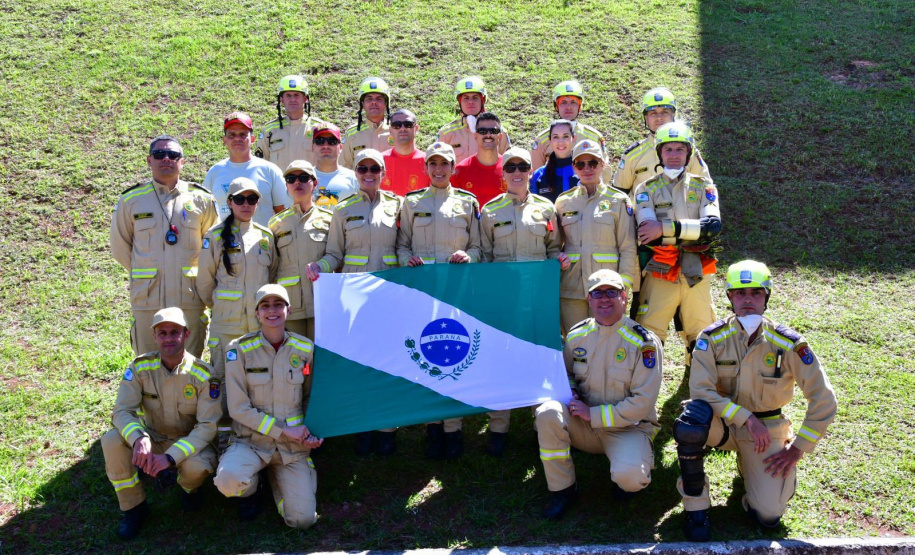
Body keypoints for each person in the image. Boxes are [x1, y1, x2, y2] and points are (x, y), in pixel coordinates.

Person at [674, 261, 837, 541]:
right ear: (729, 298)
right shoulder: (711, 338)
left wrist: (797, 449)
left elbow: (824, 399)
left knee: (769, 515)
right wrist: (745, 418)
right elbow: (701, 390)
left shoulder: (788, 343)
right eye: (739, 293)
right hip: (722, 422)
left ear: (766, 298)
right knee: (690, 420)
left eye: (755, 293)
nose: (747, 299)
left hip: (767, 429)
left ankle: (752, 475)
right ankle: (696, 506)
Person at [535, 269, 662, 519]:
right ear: (588, 299)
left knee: (631, 479)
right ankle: (563, 489)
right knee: (547, 411)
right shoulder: (577, 334)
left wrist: (592, 414)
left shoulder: (644, 343)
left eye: (611, 292)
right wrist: (570, 389)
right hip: (584, 426)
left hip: (626, 428)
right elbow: (566, 374)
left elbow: (642, 403)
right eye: (597, 293)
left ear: (624, 298)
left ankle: (630, 467)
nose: (604, 299)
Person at [307, 149, 403, 456]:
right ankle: (363, 427)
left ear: (384, 172)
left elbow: (405, 247)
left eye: (375, 168)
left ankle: (387, 428)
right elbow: (335, 253)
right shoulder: (343, 209)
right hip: (355, 300)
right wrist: (319, 266)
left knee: (388, 364)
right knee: (361, 363)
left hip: (389, 299)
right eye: (363, 168)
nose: (369, 173)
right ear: (356, 173)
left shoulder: (399, 206)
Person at [101, 307, 221, 539]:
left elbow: (207, 427)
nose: (168, 338)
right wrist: (139, 437)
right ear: (154, 336)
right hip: (153, 438)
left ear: (186, 335)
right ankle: (134, 507)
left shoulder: (204, 374)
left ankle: (188, 489)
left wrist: (170, 458)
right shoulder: (139, 367)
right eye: (162, 332)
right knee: (111, 440)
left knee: (196, 469)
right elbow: (121, 411)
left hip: (190, 444)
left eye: (174, 332)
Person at [396, 141, 482, 459]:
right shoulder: (412, 202)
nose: (438, 169)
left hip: (457, 293)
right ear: (425, 168)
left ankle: (453, 428)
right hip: (423, 294)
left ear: (453, 167)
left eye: (444, 163)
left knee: (455, 356)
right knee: (426, 352)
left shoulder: (467, 202)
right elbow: (401, 244)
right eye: (432, 163)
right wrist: (408, 259)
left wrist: (468, 255)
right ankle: (433, 426)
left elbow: (480, 247)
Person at [214, 285, 323, 528]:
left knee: (302, 520)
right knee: (229, 481)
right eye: (265, 306)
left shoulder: (305, 348)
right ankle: (253, 488)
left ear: (288, 310)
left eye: (278, 305)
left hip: (292, 449)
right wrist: (283, 430)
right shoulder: (239, 349)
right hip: (251, 443)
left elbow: (311, 398)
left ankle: (280, 481)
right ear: (256, 313)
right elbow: (238, 408)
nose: (272, 311)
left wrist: (313, 432)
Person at [479, 146, 561, 456]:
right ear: (502, 173)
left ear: (530, 171)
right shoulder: (489, 211)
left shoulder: (546, 209)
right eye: (510, 167)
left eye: (522, 166)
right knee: (501, 360)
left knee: (537, 358)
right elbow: (484, 256)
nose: (516, 172)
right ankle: (499, 426)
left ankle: (541, 422)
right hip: (503, 301)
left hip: (537, 300)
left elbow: (554, 250)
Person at [110, 135, 218, 357]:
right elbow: (120, 247)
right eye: (159, 155)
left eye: (173, 155)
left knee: (190, 366)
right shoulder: (132, 200)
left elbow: (214, 247)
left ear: (182, 161)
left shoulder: (201, 199)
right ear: (149, 160)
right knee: (148, 366)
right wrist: (146, 273)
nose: (166, 159)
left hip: (189, 297)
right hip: (148, 299)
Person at [632, 122, 721, 360]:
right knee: (650, 333)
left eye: (679, 149)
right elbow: (647, 231)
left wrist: (665, 228)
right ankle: (647, 383)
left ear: (688, 153)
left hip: (696, 269)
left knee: (702, 332)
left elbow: (712, 227)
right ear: (659, 153)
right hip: (660, 269)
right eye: (668, 150)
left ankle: (700, 384)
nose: (673, 155)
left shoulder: (705, 186)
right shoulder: (645, 188)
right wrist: (690, 231)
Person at [197, 178, 278, 422]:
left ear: (258, 203)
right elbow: (204, 282)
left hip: (257, 326)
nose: (246, 204)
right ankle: (223, 435)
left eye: (251, 199)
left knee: (258, 379)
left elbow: (271, 276)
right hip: (226, 325)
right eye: (240, 199)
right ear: (230, 202)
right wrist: (223, 306)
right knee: (222, 380)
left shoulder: (266, 237)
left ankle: (255, 433)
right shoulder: (214, 237)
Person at [555, 141, 638, 335]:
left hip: (607, 291)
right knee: (574, 343)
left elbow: (627, 247)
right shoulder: (563, 202)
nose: (587, 168)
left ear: (602, 164)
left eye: (592, 162)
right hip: (571, 290)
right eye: (580, 164)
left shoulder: (619, 201)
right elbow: (555, 246)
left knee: (608, 341)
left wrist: (622, 289)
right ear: (573, 167)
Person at [268, 160, 333, 341]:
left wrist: (322, 265)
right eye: (291, 178)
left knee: (321, 357)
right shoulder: (275, 223)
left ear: (315, 183)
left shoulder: (330, 219)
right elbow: (272, 267)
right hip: (290, 305)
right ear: (286, 185)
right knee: (294, 358)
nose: (297, 183)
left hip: (321, 301)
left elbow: (337, 255)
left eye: (304, 178)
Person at [612, 87, 712, 195]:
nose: (659, 117)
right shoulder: (632, 155)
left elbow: (706, 190)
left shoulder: (690, 152)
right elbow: (618, 196)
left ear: (673, 115)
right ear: (645, 117)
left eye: (665, 112)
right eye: (653, 113)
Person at [203, 112, 288, 227]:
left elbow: (283, 213)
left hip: (261, 243)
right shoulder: (214, 172)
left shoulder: (270, 170)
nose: (237, 139)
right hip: (223, 243)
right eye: (231, 135)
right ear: (224, 140)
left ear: (252, 139)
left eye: (243, 134)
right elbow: (204, 213)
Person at [530, 81, 609, 181]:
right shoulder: (542, 140)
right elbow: (536, 178)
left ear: (580, 106)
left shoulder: (594, 137)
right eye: (563, 102)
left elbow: (604, 174)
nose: (568, 107)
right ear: (556, 106)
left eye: (573, 102)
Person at [254, 74, 326, 170]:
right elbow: (260, 164)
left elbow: (329, 161)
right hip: (278, 185)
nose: (292, 99)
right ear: (282, 99)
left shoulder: (319, 128)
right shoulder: (270, 130)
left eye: (296, 95)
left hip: (310, 184)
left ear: (305, 99)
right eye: (288, 95)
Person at [436, 76, 510, 164]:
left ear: (482, 101)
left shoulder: (498, 132)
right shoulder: (446, 133)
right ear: (460, 102)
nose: (470, 101)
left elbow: (508, 165)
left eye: (475, 98)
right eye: (466, 98)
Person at [450, 112, 506, 206]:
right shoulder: (460, 170)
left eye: (493, 131)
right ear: (475, 136)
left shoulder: (511, 168)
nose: (488, 135)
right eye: (483, 131)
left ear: (500, 137)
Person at [339, 77, 393, 169]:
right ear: (362, 104)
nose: (374, 102)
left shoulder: (397, 131)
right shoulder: (352, 134)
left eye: (379, 99)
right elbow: (344, 168)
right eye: (369, 99)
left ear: (386, 103)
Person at [529, 119, 580, 203]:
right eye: (556, 137)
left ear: (573, 138)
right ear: (550, 140)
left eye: (566, 136)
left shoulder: (584, 170)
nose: (561, 142)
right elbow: (533, 208)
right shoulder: (538, 175)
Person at [381, 109, 430, 196]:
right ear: (390, 130)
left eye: (408, 124)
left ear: (416, 129)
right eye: (397, 125)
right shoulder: (379, 161)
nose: (402, 129)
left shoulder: (429, 162)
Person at [310, 122, 359, 208]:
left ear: (340, 147)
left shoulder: (354, 179)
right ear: (312, 147)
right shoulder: (302, 178)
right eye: (320, 141)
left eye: (331, 141)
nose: (325, 145)